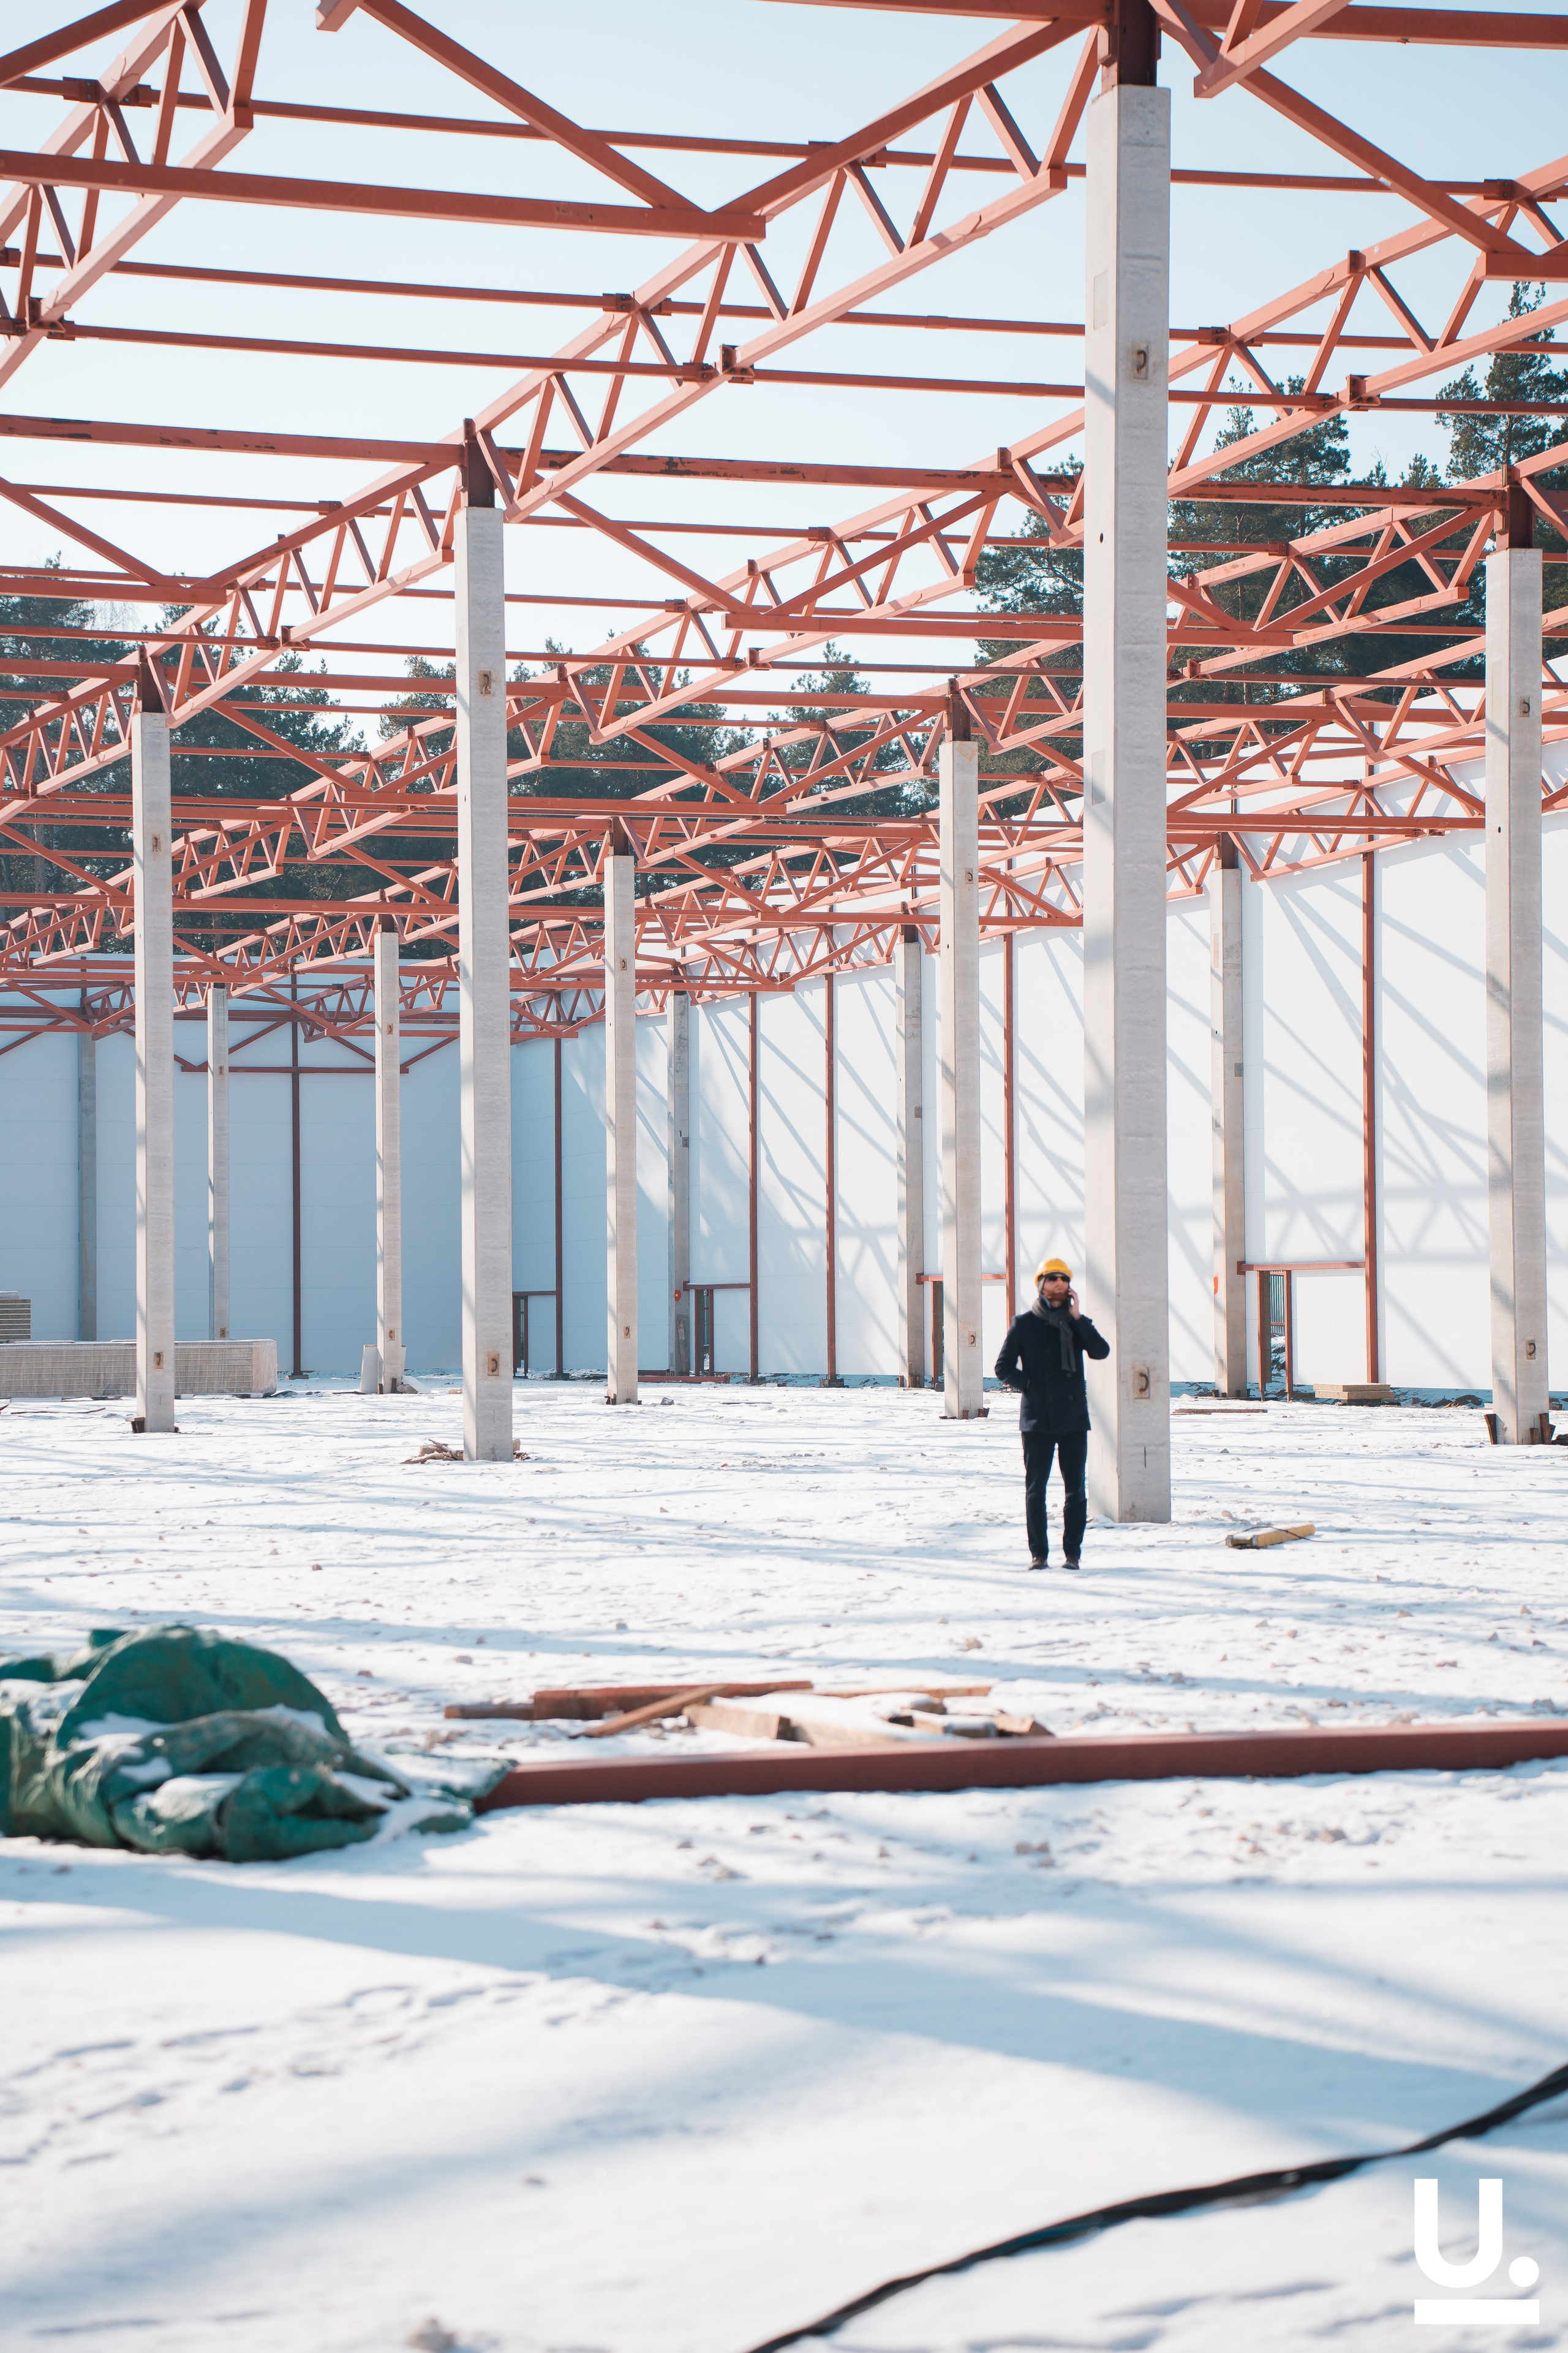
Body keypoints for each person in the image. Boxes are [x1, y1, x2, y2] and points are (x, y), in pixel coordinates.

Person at [993, 1257, 1110, 1571]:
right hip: (1037, 1420)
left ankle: (1072, 1554)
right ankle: (1039, 1555)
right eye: (1053, 1278)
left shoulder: (1076, 1323)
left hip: (1072, 1419)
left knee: (1076, 1489)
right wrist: (1029, 1384)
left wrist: (1079, 1317)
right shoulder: (1024, 1323)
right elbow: (1002, 1367)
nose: (1060, 1283)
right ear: (1041, 1284)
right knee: (1036, 1489)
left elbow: (1101, 1351)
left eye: (1065, 1279)